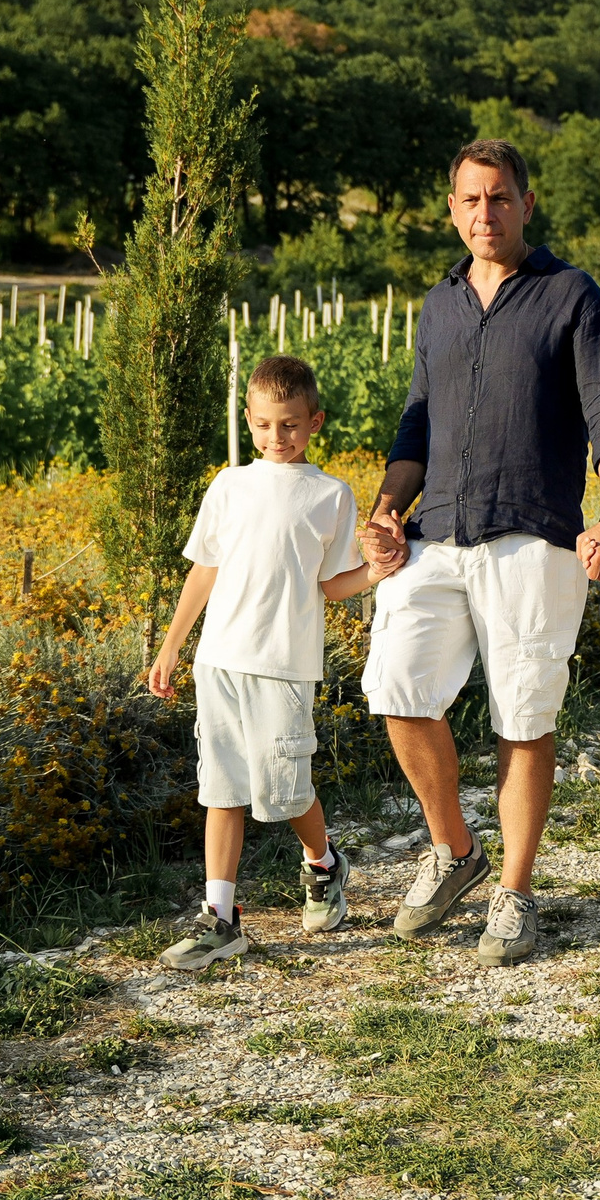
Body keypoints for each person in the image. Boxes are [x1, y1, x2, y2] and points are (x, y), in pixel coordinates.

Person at [358, 138, 600, 967]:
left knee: (524, 717)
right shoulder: (438, 305)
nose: (486, 213)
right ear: (452, 209)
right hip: (435, 533)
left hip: (533, 537)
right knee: (397, 688)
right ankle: (455, 849)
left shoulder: (571, 295)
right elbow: (416, 424)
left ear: (525, 204)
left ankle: (514, 890)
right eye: (471, 199)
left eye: (500, 197)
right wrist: (385, 511)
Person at [147, 355, 386, 970]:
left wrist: (377, 572)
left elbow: (332, 584)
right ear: (248, 420)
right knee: (222, 788)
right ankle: (221, 919)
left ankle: (324, 864)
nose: (275, 436)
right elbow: (205, 570)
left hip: (283, 664)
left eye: (289, 424)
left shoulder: (331, 495)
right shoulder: (228, 486)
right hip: (219, 660)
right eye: (262, 424)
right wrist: (173, 645)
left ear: (314, 422)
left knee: (286, 790)